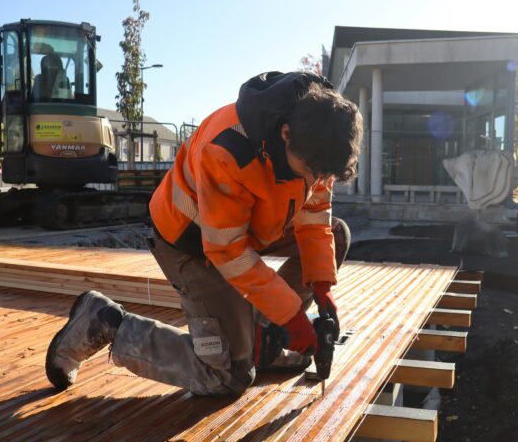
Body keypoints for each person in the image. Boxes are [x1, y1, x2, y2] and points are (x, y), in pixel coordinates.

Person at [45, 71, 363, 397]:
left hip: (244, 232)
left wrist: (321, 285)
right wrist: (292, 317)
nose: (317, 180)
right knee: (227, 376)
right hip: (191, 240)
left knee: (336, 234)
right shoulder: (227, 149)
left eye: (323, 175)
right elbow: (229, 251)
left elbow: (314, 215)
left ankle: (263, 341)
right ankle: (105, 322)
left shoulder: (318, 137)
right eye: (311, 171)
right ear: (285, 135)